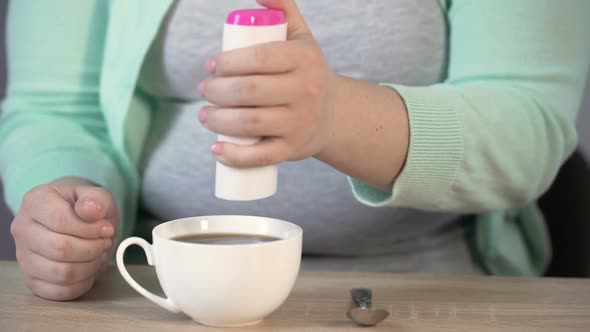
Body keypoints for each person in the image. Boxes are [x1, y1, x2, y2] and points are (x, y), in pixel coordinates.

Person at [1, 0, 589, 301]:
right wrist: (68, 200)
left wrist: (337, 119)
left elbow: (527, 124)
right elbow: (59, 107)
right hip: (160, 290)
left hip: (421, 291)